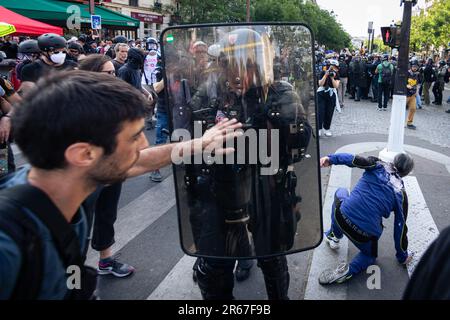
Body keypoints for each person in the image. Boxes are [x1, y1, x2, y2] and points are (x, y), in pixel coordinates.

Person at [0, 70, 242, 299]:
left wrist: (199, 144)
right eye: (134, 136)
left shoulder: (74, 175)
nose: (144, 143)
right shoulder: (8, 244)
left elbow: (138, 161)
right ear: (84, 154)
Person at [172, 28, 312, 300]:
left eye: (244, 67)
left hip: (265, 187)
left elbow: (300, 143)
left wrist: (267, 116)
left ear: (259, 65)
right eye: (228, 65)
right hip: (220, 187)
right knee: (213, 265)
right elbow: (186, 133)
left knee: (271, 258)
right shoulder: (211, 92)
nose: (235, 75)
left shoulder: (280, 93)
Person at [78, 54, 135, 277]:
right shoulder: (73, 101)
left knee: (107, 215)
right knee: (80, 227)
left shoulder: (113, 97)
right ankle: (74, 276)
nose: (114, 77)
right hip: (84, 175)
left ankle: (106, 260)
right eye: (108, 73)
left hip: (112, 168)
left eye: (114, 72)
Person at [318, 152, 414, 285]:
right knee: (370, 256)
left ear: (393, 161)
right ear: (407, 173)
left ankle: (334, 235)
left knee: (341, 192)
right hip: (364, 235)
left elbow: (353, 159)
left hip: (341, 217)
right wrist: (402, 256)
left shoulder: (378, 165)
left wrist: (331, 159)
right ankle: (349, 270)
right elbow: (400, 228)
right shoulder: (401, 194)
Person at [317, 59, 340, 137]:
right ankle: (319, 129)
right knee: (320, 112)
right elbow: (320, 84)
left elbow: (336, 86)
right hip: (321, 93)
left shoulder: (336, 74)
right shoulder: (323, 72)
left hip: (331, 94)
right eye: (331, 67)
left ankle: (327, 128)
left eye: (334, 67)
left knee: (329, 112)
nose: (332, 69)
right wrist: (325, 75)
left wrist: (332, 78)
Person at [406, 60, 420, 130]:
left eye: (416, 67)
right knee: (402, 109)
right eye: (414, 66)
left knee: (413, 108)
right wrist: (406, 85)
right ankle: (398, 121)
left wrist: (417, 91)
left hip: (413, 95)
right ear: (411, 66)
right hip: (406, 94)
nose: (415, 68)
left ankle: (409, 123)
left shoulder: (417, 74)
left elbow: (417, 84)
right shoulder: (407, 73)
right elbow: (402, 82)